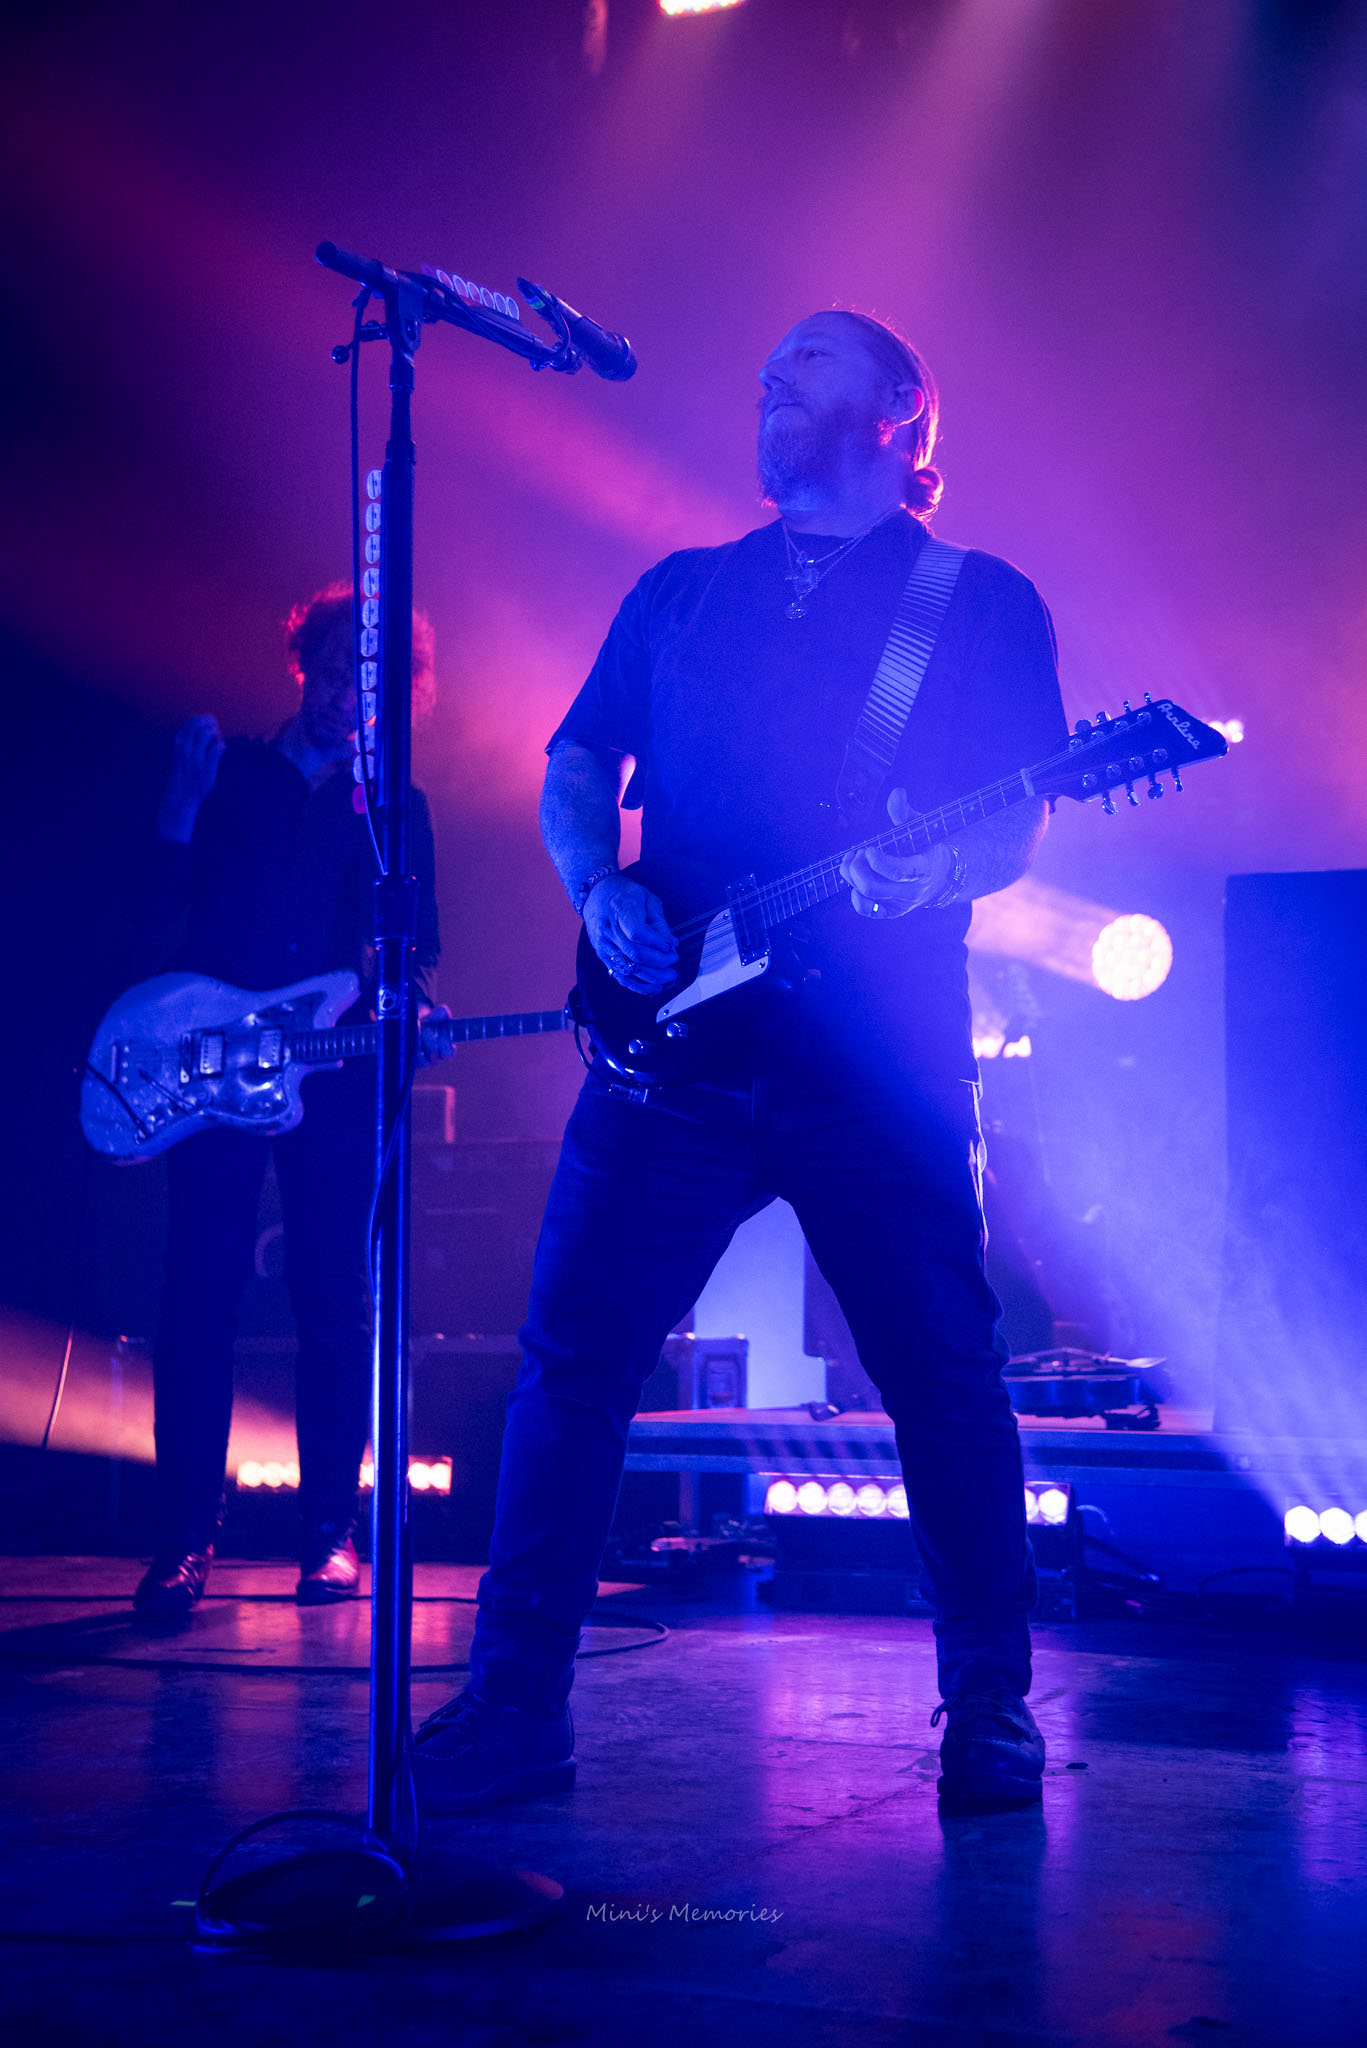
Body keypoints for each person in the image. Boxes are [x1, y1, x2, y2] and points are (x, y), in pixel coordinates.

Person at [413, 310, 1069, 1807]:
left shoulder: (974, 603)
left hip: (876, 1064)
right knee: (572, 1367)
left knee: (940, 1377)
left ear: (902, 410)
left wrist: (930, 868)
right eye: (765, 369)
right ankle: (513, 1704)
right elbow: (576, 759)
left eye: (810, 365)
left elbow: (1013, 813)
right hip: (674, 1057)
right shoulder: (680, 591)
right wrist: (598, 887)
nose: (770, 382)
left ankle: (986, 1707)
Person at [132, 586, 441, 1615]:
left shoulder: (394, 806)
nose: (349, 695)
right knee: (199, 1293)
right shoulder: (230, 774)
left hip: (333, 1073)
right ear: (304, 662)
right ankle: (183, 1540)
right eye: (337, 670)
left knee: (333, 1299)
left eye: (371, 681)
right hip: (215, 1066)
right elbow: (143, 915)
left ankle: (329, 1537)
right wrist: (178, 807)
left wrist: (413, 1006)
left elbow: (410, 952)